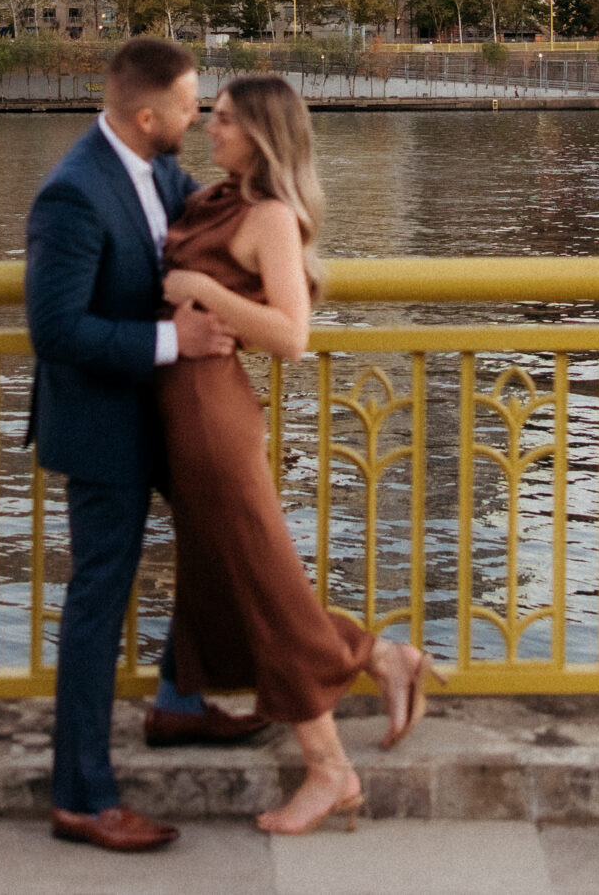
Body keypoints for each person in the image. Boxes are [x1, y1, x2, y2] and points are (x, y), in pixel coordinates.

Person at [159, 73, 445, 836]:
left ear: (262, 135)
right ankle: (384, 658)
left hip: (216, 420)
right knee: (233, 588)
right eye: (210, 116)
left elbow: (290, 334)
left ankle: (330, 769)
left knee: (267, 592)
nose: (208, 128)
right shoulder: (216, 198)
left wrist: (201, 290)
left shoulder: (272, 217)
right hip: (183, 420)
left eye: (223, 120)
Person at [23, 36, 269, 854]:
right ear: (145, 115)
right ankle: (81, 795)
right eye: (190, 105)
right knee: (99, 601)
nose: (197, 117)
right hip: (99, 425)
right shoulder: (73, 195)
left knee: (219, 540)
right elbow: (56, 331)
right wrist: (176, 344)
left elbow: (214, 220)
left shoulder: (159, 173)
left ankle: (179, 700)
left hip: (163, 414)